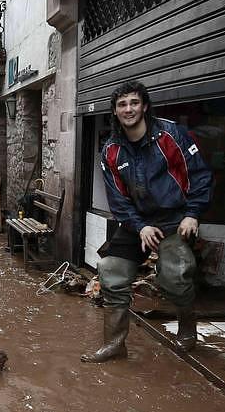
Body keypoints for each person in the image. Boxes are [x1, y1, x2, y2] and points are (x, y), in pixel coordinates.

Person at [83, 80, 213, 362]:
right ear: (115, 112)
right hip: (136, 222)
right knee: (111, 272)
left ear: (144, 106)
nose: (128, 109)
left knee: (176, 275)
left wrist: (193, 213)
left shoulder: (172, 135)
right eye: (122, 104)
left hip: (174, 218)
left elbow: (200, 175)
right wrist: (139, 226)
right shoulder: (111, 151)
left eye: (133, 103)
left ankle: (188, 325)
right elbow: (117, 199)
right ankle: (115, 344)